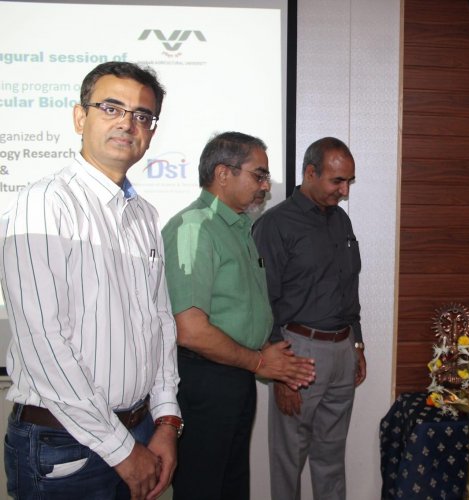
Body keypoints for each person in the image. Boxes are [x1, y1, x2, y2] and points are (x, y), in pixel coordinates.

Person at [0, 61, 181, 500]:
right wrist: (123, 451)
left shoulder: (144, 216)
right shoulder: (44, 205)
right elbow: (44, 343)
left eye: (142, 115)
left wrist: (165, 421)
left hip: (139, 431)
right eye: (111, 108)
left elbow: (159, 324)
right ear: (80, 118)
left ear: (151, 131)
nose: (128, 123)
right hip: (64, 444)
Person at [161, 131, 316, 500]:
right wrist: (261, 361)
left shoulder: (238, 228)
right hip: (203, 381)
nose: (266, 186)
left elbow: (240, 310)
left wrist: (272, 359)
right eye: (259, 175)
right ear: (223, 173)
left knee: (229, 485)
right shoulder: (194, 228)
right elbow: (191, 331)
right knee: (201, 487)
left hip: (236, 376)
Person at [252, 136, 366, 500]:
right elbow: (262, 301)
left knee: (331, 456)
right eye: (337, 181)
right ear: (310, 173)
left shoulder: (341, 221)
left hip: (342, 350)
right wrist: (281, 373)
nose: (344, 191)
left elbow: (350, 287)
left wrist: (357, 344)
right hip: (298, 351)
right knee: (289, 458)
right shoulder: (275, 224)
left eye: (348, 181)